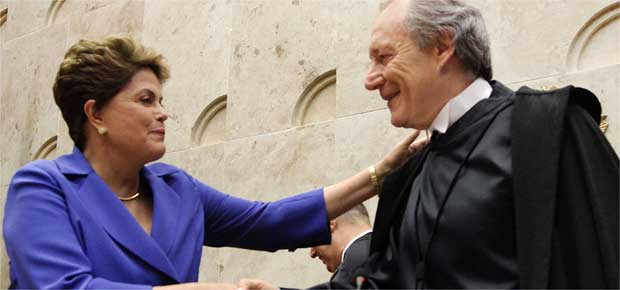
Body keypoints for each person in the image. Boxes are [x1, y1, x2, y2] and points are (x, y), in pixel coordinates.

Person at [239, 0, 619, 289]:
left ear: (442, 47)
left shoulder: (548, 131)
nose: (370, 81)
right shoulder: (410, 175)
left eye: (383, 57)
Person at [1, 36, 429, 290]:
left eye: (162, 100)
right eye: (146, 100)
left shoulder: (176, 187)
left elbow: (270, 221)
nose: (163, 113)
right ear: (95, 115)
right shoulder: (42, 187)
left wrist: (380, 175)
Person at [309, 204, 372, 286]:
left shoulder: (354, 267)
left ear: (329, 224)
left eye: (311, 237)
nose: (312, 253)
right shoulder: (387, 250)